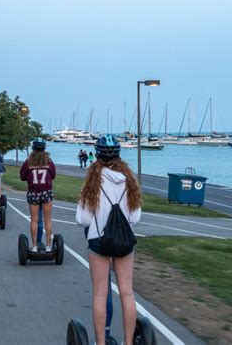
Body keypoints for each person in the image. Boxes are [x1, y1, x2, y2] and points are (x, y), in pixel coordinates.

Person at [76, 135, 142, 345]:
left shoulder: (93, 181)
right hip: (124, 243)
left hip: (99, 243)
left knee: (100, 294)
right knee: (127, 293)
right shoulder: (128, 180)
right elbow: (135, 217)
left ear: (97, 154)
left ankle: (101, 343)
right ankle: (129, 342)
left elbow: (83, 219)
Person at [20, 138, 56, 252]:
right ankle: (48, 246)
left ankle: (35, 246)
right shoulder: (48, 161)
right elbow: (53, 175)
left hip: (33, 192)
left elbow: (22, 176)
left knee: (34, 220)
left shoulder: (28, 162)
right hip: (46, 192)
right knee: (47, 219)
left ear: (33, 148)